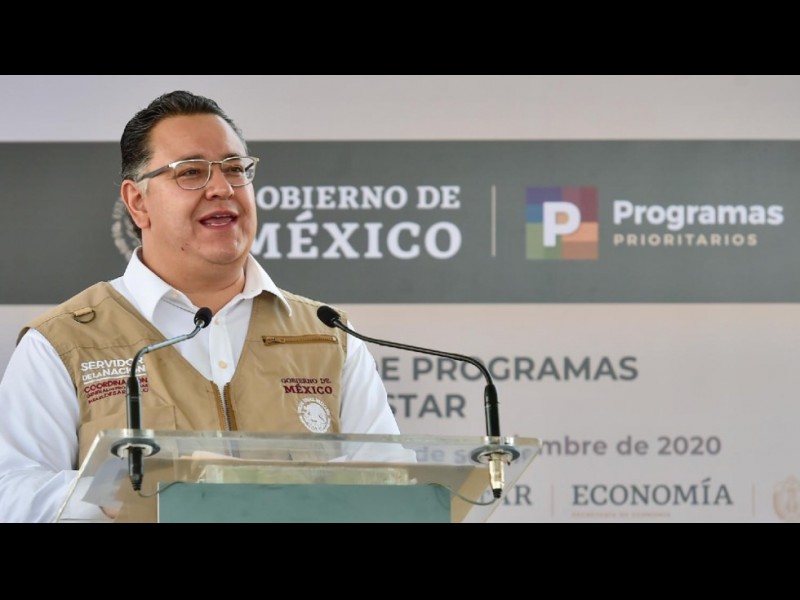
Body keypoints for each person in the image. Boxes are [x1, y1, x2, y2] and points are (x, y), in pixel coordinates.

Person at [0, 90, 401, 522]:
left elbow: (394, 488)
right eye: (191, 172)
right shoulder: (64, 342)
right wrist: (133, 489)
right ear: (138, 202)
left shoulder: (329, 335)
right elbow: (12, 494)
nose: (222, 188)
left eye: (234, 169)